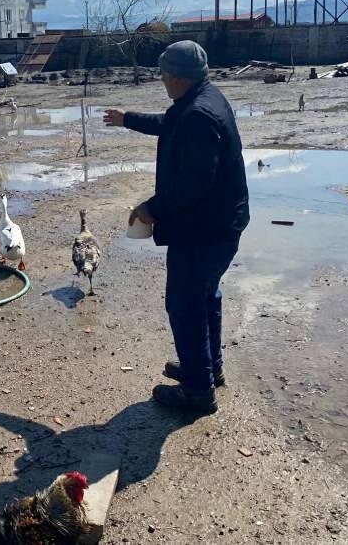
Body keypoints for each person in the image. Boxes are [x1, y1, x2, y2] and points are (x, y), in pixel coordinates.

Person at [104, 40, 249, 414]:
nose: (162, 80)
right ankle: (206, 367)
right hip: (219, 225)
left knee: (185, 305)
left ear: (174, 77)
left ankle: (198, 392)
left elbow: (195, 183)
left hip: (205, 231)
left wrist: (152, 209)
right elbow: (170, 125)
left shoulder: (199, 114)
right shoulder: (203, 98)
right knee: (205, 297)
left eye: (163, 74)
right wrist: (128, 119)